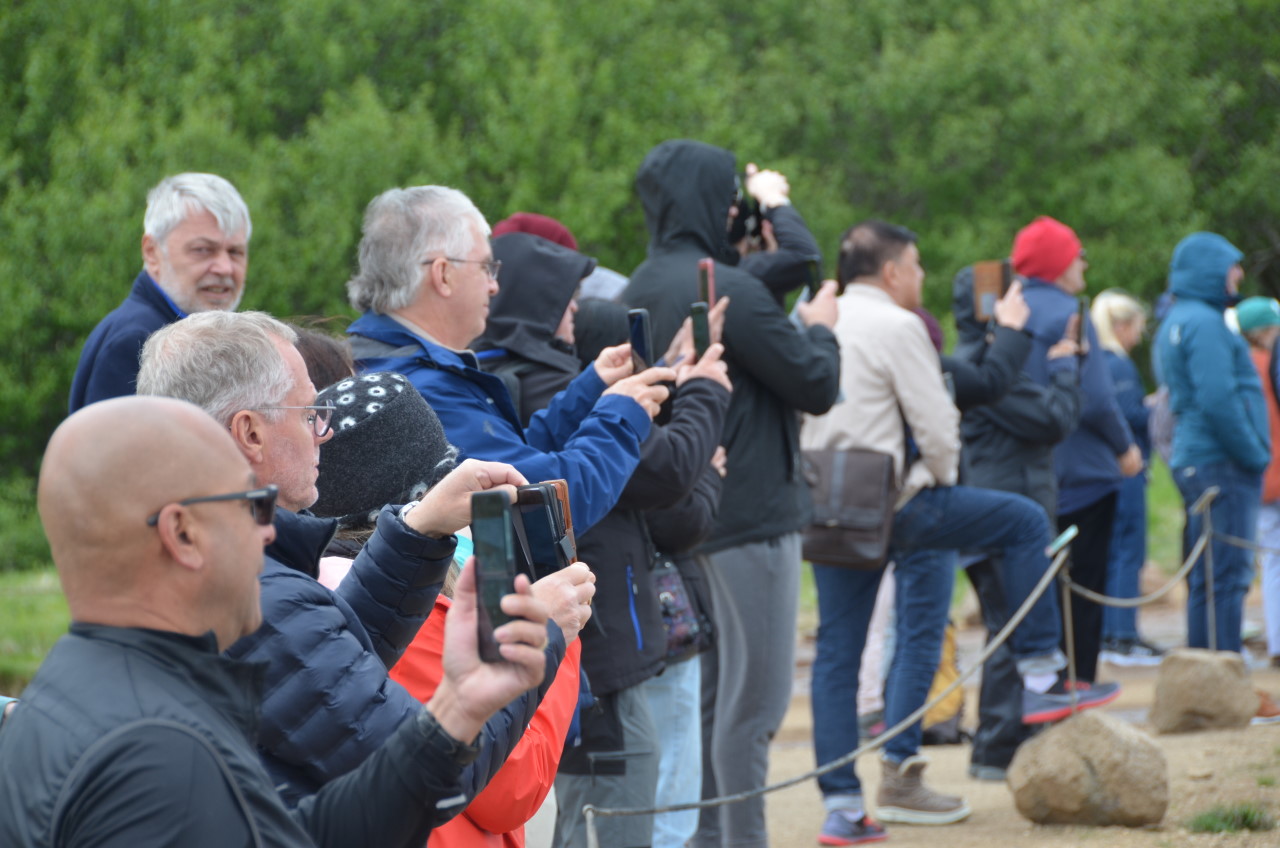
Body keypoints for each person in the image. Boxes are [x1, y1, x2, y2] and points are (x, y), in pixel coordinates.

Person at [0, 395, 552, 847]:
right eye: (252, 507)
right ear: (182, 535)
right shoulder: (158, 752)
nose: (269, 533)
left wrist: (457, 710)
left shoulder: (85, 692)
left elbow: (294, 835)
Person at [137, 311, 563, 805]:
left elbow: (333, 657)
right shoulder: (252, 597)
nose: (322, 432)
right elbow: (428, 773)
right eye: (308, 413)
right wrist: (545, 635)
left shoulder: (196, 560)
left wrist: (418, 530)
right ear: (250, 433)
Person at [803, 221, 1111, 844]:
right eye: (915, 264)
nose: (921, 276)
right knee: (1024, 521)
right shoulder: (897, 325)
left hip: (826, 507)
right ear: (890, 271)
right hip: (901, 502)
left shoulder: (815, 319)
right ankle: (1041, 674)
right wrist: (937, 477)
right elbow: (939, 426)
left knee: (836, 654)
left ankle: (842, 805)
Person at [624, 139, 842, 848]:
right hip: (754, 519)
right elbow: (816, 382)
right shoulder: (732, 288)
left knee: (718, 704)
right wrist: (821, 332)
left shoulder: (637, 287)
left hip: (689, 516)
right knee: (756, 706)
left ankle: (709, 839)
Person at [306, 372, 595, 848]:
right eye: (449, 486)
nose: (468, 512)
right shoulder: (396, 615)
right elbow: (511, 788)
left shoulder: (346, 588)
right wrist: (553, 636)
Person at [345, 185, 671, 534]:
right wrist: (622, 413)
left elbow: (513, 460)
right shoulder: (418, 388)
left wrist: (591, 390)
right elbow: (549, 504)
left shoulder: (392, 363)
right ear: (443, 275)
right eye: (486, 266)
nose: (494, 286)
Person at [951, 264, 1084, 781]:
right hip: (1009, 513)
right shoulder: (990, 367)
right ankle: (998, 749)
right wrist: (1066, 370)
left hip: (999, 509)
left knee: (1007, 629)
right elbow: (1053, 420)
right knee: (1013, 631)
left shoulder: (980, 360)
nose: (1024, 304)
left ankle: (1002, 745)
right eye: (1015, 295)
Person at [1012, 216, 1141, 684]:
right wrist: (1125, 448)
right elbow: (1099, 399)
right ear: (1058, 262)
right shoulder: (1069, 312)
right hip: (1083, 472)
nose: (1084, 261)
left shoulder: (1006, 310)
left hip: (1023, 474)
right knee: (1083, 592)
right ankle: (1078, 687)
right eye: (1077, 253)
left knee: (1029, 591)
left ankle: (1035, 693)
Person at [1156, 233, 1268, 654]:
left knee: (1208, 576)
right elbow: (1218, 399)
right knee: (1228, 576)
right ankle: (1225, 680)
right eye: (1231, 266)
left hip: (1200, 459)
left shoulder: (1180, 319)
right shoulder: (1203, 323)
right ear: (1210, 271)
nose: (1238, 274)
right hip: (1220, 462)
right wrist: (1254, 454)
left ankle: (1206, 677)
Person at [69, 172, 250, 412]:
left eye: (235, 252)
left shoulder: (178, 333)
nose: (225, 268)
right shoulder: (136, 342)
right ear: (152, 252)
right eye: (203, 250)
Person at [1090, 291, 1162, 666]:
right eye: (1136, 327)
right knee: (1128, 550)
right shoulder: (1118, 364)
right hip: (1127, 467)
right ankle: (1123, 634)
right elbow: (1126, 413)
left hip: (1106, 469)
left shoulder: (1097, 360)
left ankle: (1112, 631)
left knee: (1115, 549)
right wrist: (1151, 406)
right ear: (1121, 325)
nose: (1138, 335)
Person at [474, 232, 597, 425]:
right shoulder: (558, 387)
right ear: (538, 302)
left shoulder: (469, 364)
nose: (575, 306)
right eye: (567, 296)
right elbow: (649, 451)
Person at [1238, 297, 1280, 666]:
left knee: (1269, 560)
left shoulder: (1238, 363)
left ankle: (1276, 639)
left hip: (1257, 472)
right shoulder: (1268, 363)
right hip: (1276, 468)